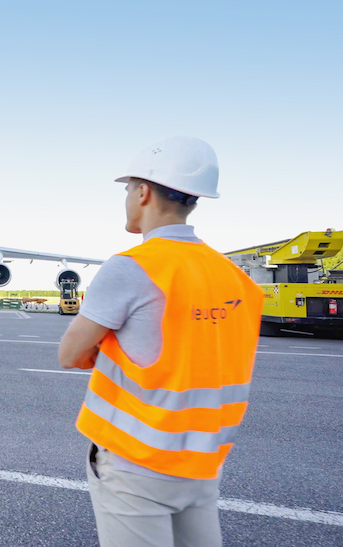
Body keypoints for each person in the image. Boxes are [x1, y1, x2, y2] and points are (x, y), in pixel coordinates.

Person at [58, 136, 264, 547]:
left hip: (137, 464)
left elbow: (69, 354)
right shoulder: (237, 279)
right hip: (202, 464)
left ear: (143, 191)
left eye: (127, 190)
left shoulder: (133, 267)